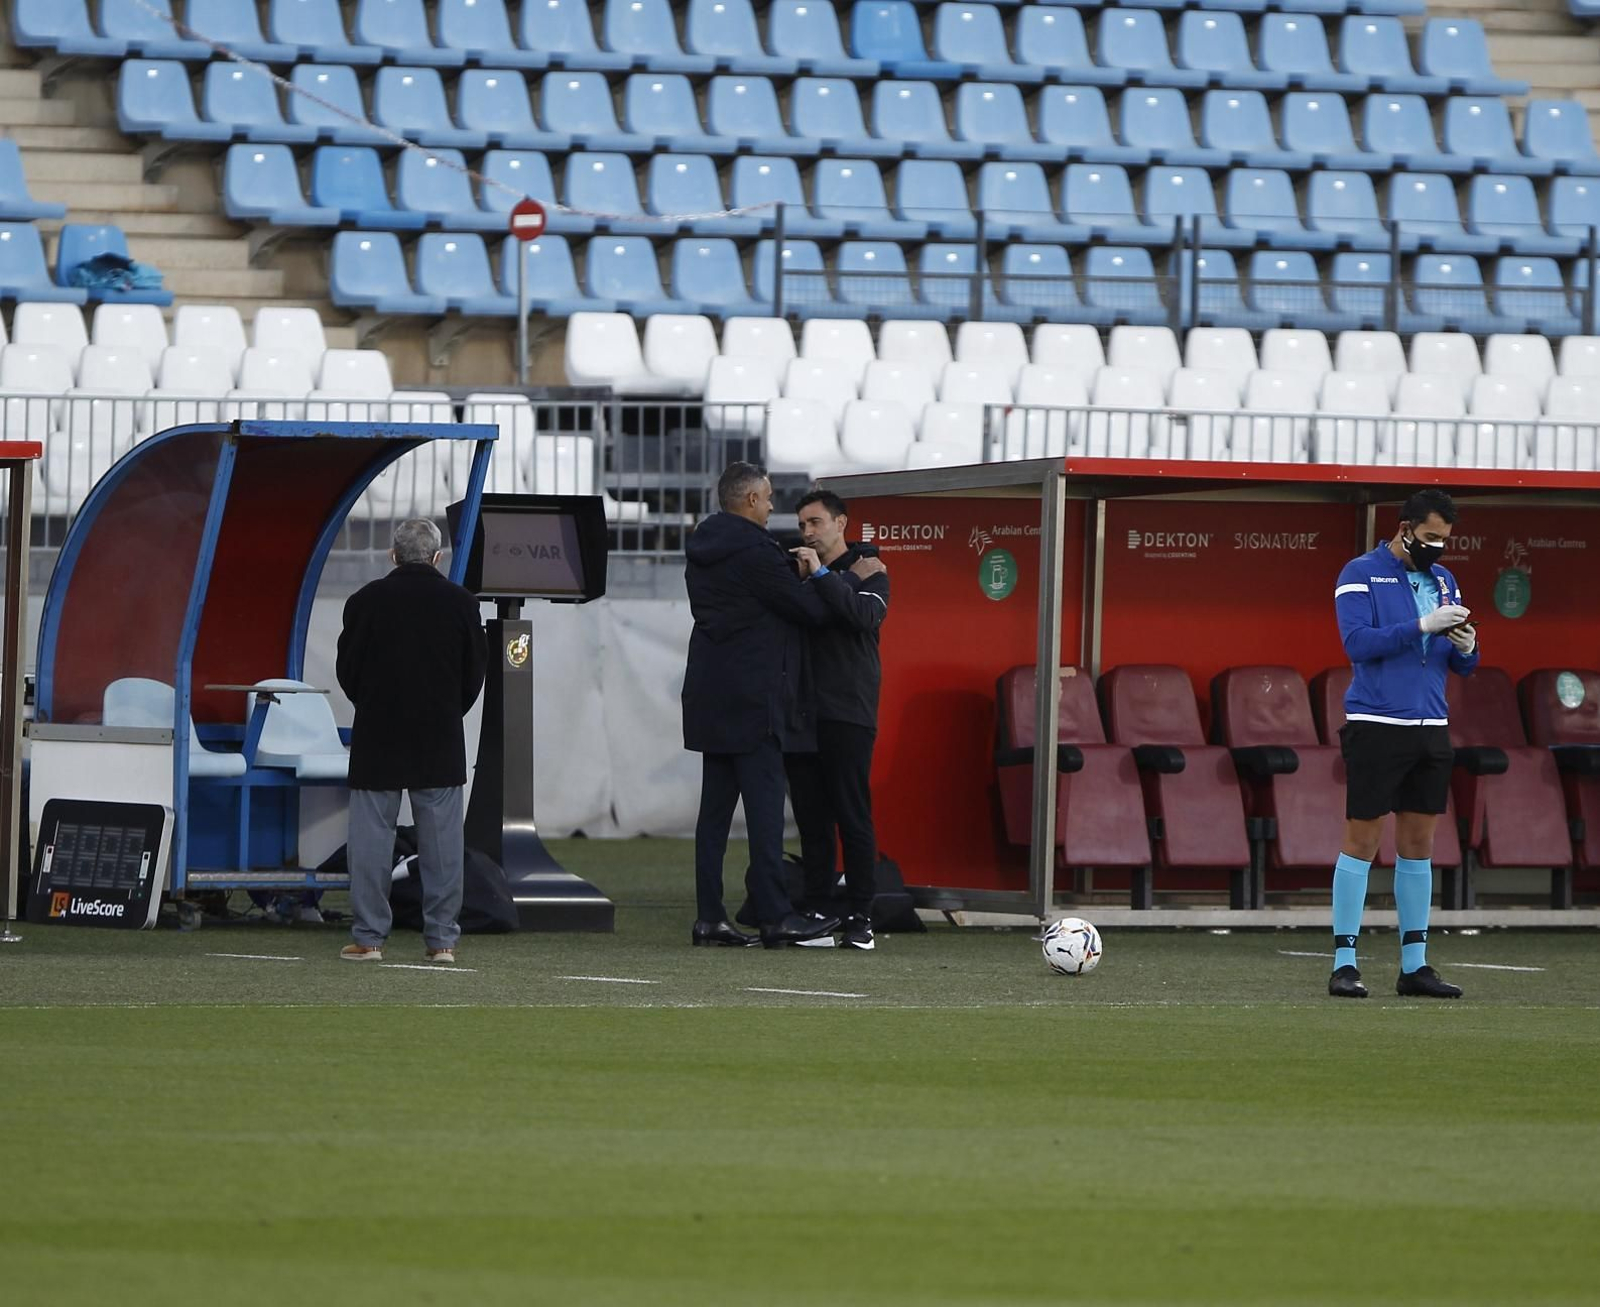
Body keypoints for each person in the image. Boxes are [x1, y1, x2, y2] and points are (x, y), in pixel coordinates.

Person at [682, 463, 887, 949]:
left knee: (713, 815)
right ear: (751, 500)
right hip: (757, 702)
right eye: (770, 498)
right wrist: (841, 578)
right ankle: (776, 916)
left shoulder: (702, 548)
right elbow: (813, 610)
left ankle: (710, 918)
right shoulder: (755, 553)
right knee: (766, 813)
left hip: (711, 697)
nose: (774, 507)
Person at [1328, 489, 1478, 1000]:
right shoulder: (1359, 572)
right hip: (1375, 723)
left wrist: (1466, 646)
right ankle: (1344, 963)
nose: (1438, 547)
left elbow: (1458, 664)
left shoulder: (1444, 579)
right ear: (1406, 527)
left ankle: (1415, 965)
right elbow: (1357, 644)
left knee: (1418, 847)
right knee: (1363, 840)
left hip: (1431, 726)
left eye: (1444, 539)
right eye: (1431, 536)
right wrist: (1420, 624)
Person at [335, 519, 488, 965]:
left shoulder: (364, 602)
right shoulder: (460, 603)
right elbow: (473, 674)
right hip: (437, 734)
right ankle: (441, 940)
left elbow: (348, 672)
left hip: (377, 733)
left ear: (392, 554)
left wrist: (374, 703)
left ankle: (368, 938)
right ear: (437, 557)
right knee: (442, 844)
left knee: (370, 841)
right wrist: (446, 710)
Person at [784, 490, 890, 951]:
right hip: (802, 712)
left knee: (852, 814)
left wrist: (824, 577)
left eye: (816, 522)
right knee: (811, 818)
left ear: (841, 522)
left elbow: (863, 617)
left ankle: (862, 916)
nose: (808, 532)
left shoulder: (872, 571)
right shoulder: (799, 574)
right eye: (803, 524)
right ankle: (819, 909)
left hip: (848, 710)